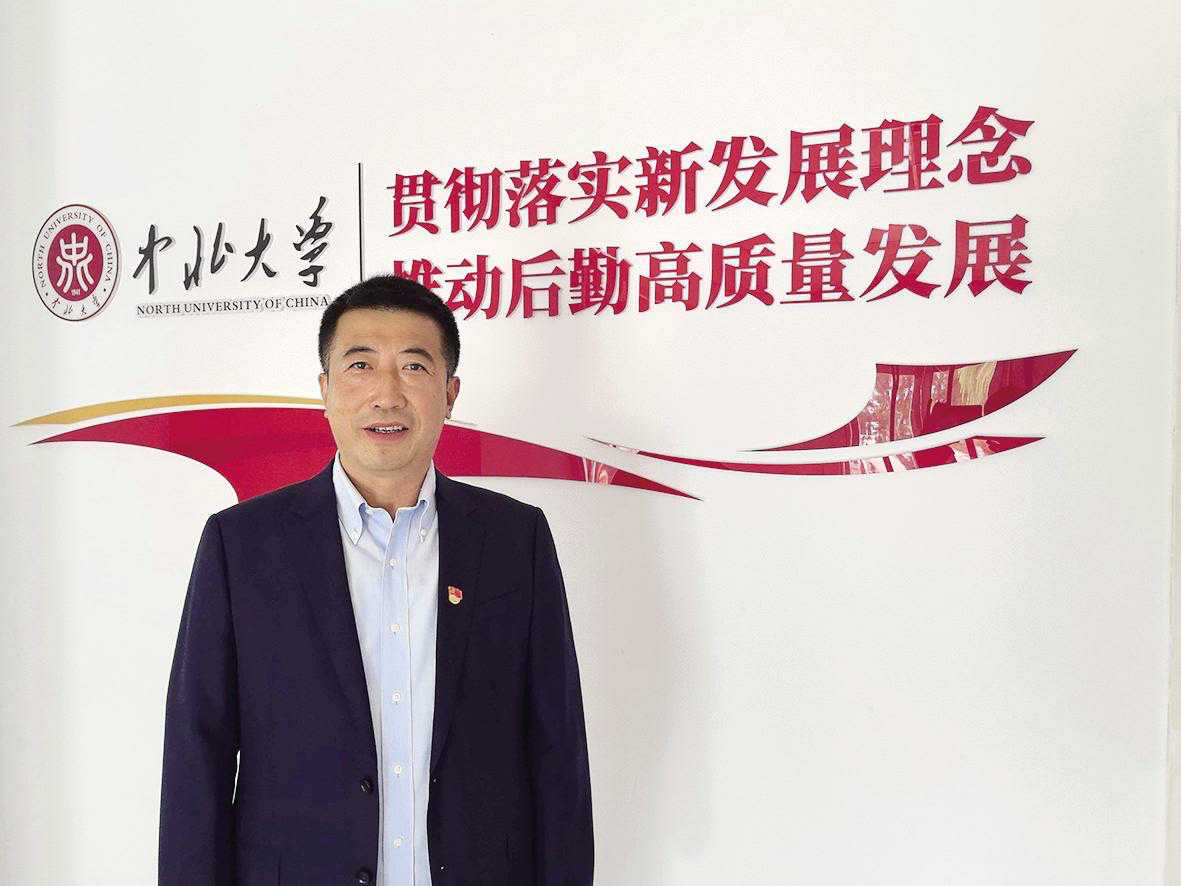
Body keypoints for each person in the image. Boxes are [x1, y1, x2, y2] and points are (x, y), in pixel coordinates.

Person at [159, 275, 593, 885]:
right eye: (360, 366)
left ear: (450, 393)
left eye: (414, 367)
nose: (386, 395)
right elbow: (196, 758)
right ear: (326, 390)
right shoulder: (243, 546)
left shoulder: (514, 541)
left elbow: (557, 753)